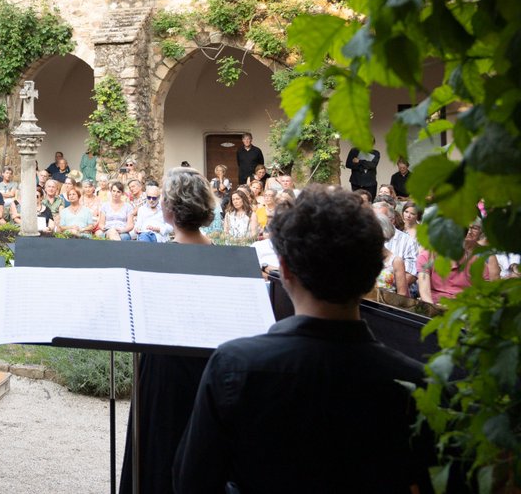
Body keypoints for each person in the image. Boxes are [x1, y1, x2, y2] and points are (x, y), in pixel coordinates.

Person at [173, 186, 435, 493]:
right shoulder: (415, 383)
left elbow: (192, 481)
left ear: (284, 271)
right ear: (374, 273)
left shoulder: (235, 366)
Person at [120, 167, 216, 494]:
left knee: (157, 451)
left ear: (168, 209)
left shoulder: (158, 260)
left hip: (163, 370)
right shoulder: (221, 257)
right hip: (206, 368)